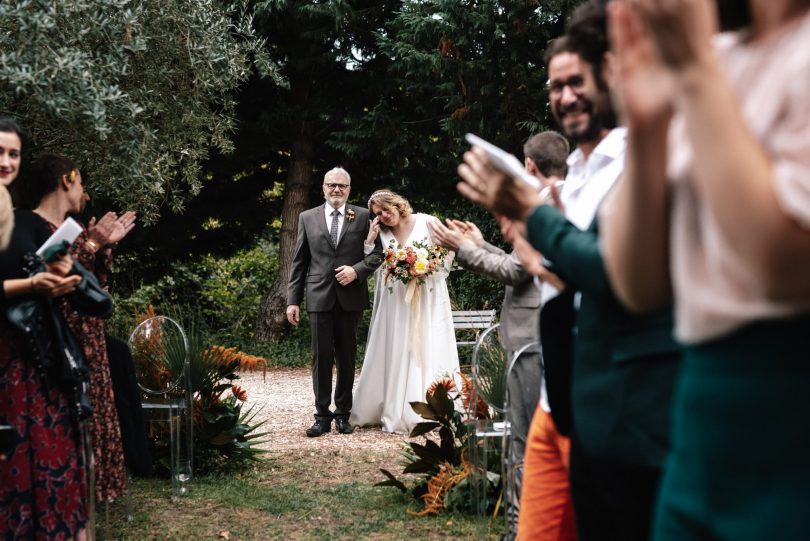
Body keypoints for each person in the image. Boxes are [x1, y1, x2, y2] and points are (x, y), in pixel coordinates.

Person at [457, 3, 683, 540]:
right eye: (554, 86)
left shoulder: (636, 162)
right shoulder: (573, 176)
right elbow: (570, 274)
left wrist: (537, 221)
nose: (565, 96)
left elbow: (619, 276)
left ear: (609, 75)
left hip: (616, 401)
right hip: (558, 399)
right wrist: (534, 250)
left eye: (576, 81)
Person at [602, 1, 810, 539]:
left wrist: (694, 71)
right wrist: (645, 128)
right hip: (699, 427)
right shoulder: (720, 57)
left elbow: (782, 265)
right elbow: (639, 283)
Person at [428, 130, 569, 540]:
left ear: (528, 166)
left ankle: (519, 531)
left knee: (525, 444)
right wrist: (481, 242)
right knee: (525, 441)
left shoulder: (547, 208)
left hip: (533, 342)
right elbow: (516, 262)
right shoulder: (549, 204)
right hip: (534, 339)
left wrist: (463, 249)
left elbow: (514, 272)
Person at [28, 154, 136, 503]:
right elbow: (54, 282)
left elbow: (92, 284)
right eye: (81, 183)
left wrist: (102, 247)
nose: (84, 193)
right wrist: (92, 244)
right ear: (67, 179)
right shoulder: (33, 226)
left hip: (89, 335)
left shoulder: (65, 228)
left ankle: (92, 497)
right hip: (65, 340)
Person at [0, 118, 87, 540]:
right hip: (3, 360)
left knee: (49, 460)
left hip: (34, 355)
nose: (6, 161)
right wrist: (31, 284)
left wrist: (59, 277)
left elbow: (45, 291)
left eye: (13, 153)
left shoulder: (27, 221)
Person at [350, 190, 460, 435]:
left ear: (397, 204)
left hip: (427, 297)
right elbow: (375, 262)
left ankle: (433, 406)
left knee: (427, 343)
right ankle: (394, 407)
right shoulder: (383, 234)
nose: (383, 216)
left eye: (385, 210)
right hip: (397, 302)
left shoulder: (427, 221)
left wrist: (430, 268)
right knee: (397, 346)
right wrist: (370, 240)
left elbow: (450, 249)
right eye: (377, 214)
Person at [286, 167, 382, 437]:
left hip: (350, 298)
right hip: (318, 296)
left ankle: (342, 415)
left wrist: (357, 271)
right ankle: (321, 416)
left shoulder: (363, 216)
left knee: (347, 357)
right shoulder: (307, 217)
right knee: (321, 357)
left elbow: (377, 254)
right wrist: (292, 300)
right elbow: (299, 262)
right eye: (332, 185)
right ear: (323, 188)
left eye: (342, 185)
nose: (336, 189)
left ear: (349, 189)